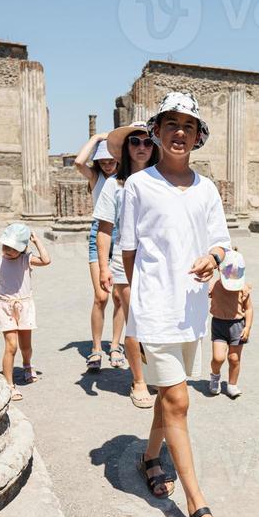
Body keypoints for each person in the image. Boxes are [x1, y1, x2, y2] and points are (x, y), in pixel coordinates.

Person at [118, 92, 231, 517]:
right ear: (157, 133)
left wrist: (214, 256)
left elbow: (222, 240)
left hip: (192, 312)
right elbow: (129, 254)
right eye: (171, 124)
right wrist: (146, 299)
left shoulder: (207, 190)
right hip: (157, 312)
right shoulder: (138, 187)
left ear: (198, 136)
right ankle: (198, 505)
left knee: (171, 396)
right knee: (180, 401)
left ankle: (149, 457)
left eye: (188, 125)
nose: (179, 132)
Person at [92, 119, 158, 408]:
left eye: (147, 141)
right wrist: (105, 267)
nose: (141, 147)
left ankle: (152, 370)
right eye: (135, 141)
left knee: (156, 320)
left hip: (157, 261)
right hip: (124, 259)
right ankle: (139, 380)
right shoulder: (113, 185)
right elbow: (105, 229)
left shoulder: (162, 181)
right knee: (137, 320)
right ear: (126, 147)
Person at [0, 222, 51, 402]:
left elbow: (46, 260)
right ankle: (9, 384)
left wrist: (36, 241)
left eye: (13, 247)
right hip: (5, 307)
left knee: (26, 346)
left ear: (23, 248)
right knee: (12, 345)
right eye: (6, 246)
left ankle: (27, 365)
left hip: (24, 306)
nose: (8, 250)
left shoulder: (25, 259)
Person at [72, 133, 123, 372]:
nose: (107, 164)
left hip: (122, 234)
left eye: (111, 159)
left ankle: (115, 345)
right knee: (101, 296)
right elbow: (78, 162)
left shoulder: (128, 178)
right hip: (98, 235)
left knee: (120, 297)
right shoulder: (95, 177)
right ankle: (95, 348)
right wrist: (95, 138)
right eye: (103, 160)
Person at [207, 248, 252, 399]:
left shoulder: (243, 289)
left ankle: (232, 385)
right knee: (218, 358)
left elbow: (249, 309)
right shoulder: (214, 286)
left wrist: (247, 327)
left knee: (234, 358)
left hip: (237, 326)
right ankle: (215, 376)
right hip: (219, 324)